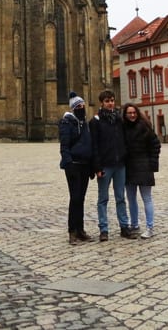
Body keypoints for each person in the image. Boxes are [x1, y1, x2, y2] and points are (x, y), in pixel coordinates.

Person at [89, 89, 138, 241]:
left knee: (120, 197)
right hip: (105, 166)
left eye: (112, 100)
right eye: (107, 101)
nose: (110, 103)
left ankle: (124, 226)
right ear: (101, 103)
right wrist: (96, 167)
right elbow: (94, 146)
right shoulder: (95, 122)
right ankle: (104, 229)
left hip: (119, 164)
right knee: (103, 199)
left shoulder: (119, 120)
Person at [58, 92, 94, 245]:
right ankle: (72, 231)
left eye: (83, 105)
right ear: (73, 108)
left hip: (84, 165)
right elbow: (64, 146)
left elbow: (89, 144)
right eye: (79, 106)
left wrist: (91, 165)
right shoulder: (67, 122)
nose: (82, 108)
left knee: (81, 198)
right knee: (75, 198)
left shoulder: (84, 123)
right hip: (73, 166)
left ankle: (80, 230)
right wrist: (68, 163)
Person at [123, 104, 161, 239]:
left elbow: (156, 145)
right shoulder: (123, 128)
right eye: (129, 113)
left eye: (134, 112)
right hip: (129, 168)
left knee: (147, 198)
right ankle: (134, 225)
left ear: (137, 113)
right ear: (125, 114)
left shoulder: (145, 127)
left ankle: (150, 227)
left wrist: (153, 164)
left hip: (144, 167)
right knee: (131, 199)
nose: (132, 115)